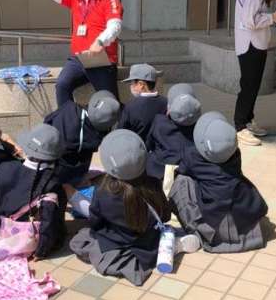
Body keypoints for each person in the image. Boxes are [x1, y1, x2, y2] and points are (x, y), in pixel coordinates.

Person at [69, 130, 172, 286]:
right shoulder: (154, 183)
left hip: (119, 242)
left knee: (79, 240)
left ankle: (128, 261)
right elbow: (165, 216)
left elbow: (95, 222)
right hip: (151, 240)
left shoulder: (103, 192)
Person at [169, 111, 269, 253]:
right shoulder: (235, 154)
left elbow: (183, 172)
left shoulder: (192, 156)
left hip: (214, 224)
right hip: (243, 215)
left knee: (181, 181)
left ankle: (198, 232)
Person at [45, 0, 123, 107]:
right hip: (78, 59)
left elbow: (115, 26)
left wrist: (100, 41)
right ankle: (67, 118)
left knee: (110, 102)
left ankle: (113, 123)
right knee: (62, 85)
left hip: (102, 59)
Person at [0, 124, 67, 259]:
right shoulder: (52, 183)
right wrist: (41, 251)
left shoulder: (6, 168)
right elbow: (49, 221)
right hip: (31, 238)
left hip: (6, 231)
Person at [234, 0, 276, 146]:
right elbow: (250, 21)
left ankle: (248, 120)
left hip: (256, 44)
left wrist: (273, 17)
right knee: (248, 86)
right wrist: (274, 17)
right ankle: (240, 126)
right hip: (250, 45)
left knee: (252, 86)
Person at [44, 90, 120, 184]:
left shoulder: (69, 107)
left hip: (49, 160)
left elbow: (47, 120)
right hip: (68, 171)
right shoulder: (94, 138)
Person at [146, 92, 201, 180]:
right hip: (186, 173)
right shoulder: (199, 131)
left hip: (159, 169)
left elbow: (149, 144)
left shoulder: (159, 122)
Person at [118, 64, 167, 142]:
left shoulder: (130, 107)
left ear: (141, 84)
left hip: (138, 147)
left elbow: (120, 132)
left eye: (132, 83)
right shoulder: (166, 102)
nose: (131, 86)